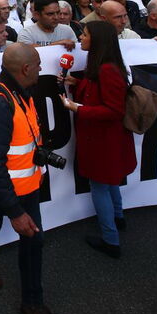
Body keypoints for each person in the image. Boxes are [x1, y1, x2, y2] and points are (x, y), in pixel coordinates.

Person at [0, 44, 66, 314]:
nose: (41, 69)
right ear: (25, 69)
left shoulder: (19, 90)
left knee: (33, 242)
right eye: (38, 65)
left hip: (25, 186)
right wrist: (15, 212)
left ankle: (32, 304)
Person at [59, 22, 135, 258]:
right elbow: (98, 93)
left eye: (84, 34)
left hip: (103, 140)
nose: (80, 38)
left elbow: (114, 110)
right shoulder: (103, 66)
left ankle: (110, 239)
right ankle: (118, 217)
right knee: (110, 181)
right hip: (104, 138)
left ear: (97, 40)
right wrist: (77, 83)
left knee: (100, 186)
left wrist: (77, 108)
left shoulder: (107, 70)